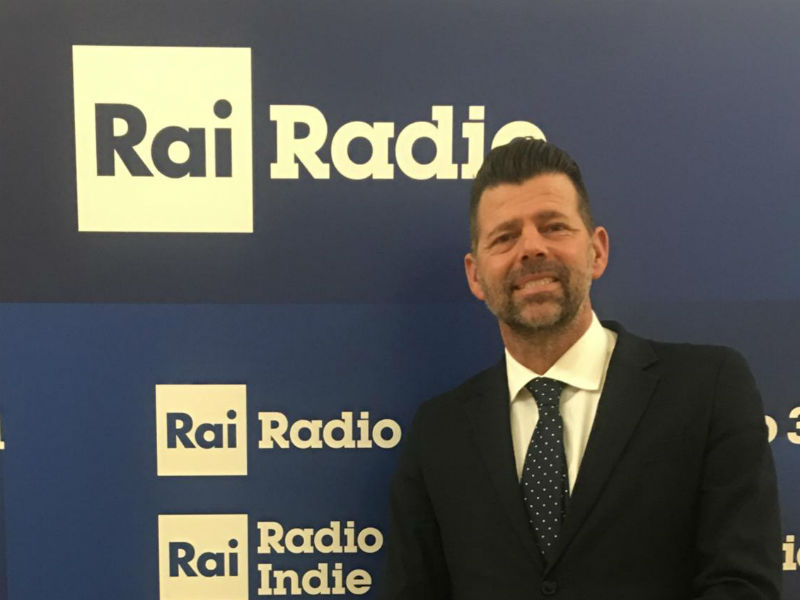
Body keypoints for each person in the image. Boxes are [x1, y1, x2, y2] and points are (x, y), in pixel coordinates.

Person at [378, 138, 781, 599]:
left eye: (553, 227)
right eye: (505, 237)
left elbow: (742, 584)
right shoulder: (438, 432)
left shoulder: (708, 389)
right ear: (475, 276)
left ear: (597, 251)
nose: (531, 248)